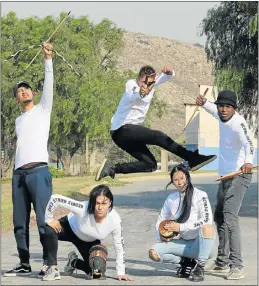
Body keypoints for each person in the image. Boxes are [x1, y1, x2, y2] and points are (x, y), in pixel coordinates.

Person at [95, 65, 216, 181]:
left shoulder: (152, 84)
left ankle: (112, 168)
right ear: (138, 79)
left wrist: (169, 72)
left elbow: (167, 76)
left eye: (150, 84)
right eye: (144, 83)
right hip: (121, 130)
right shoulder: (131, 85)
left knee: (150, 164)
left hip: (127, 136)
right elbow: (132, 95)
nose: (147, 86)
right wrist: (141, 93)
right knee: (158, 136)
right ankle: (191, 158)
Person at [4, 43, 54, 278]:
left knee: (43, 220)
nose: (23, 91)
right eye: (19, 90)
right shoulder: (18, 120)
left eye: (26, 89)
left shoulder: (43, 109)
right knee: (19, 222)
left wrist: (48, 59)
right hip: (18, 174)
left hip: (39, 172)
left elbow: (50, 86)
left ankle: (49, 263)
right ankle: (24, 262)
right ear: (16, 99)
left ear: (33, 94)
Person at [196, 90, 255, 280]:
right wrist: (204, 103)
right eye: (221, 106)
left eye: (228, 107)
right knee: (219, 216)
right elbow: (212, 110)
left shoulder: (238, 123)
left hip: (240, 174)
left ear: (234, 109)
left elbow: (249, 144)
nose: (223, 110)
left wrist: (248, 162)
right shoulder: (220, 115)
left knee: (230, 217)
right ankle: (222, 261)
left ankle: (237, 266)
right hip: (224, 177)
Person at [41, 184, 133, 282]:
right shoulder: (83, 207)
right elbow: (55, 199)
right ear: (92, 203)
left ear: (110, 203)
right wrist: (49, 219)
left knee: (97, 273)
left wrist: (121, 272)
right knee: (49, 229)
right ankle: (52, 268)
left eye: (104, 203)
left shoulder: (114, 220)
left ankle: (74, 262)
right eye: (97, 203)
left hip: (88, 240)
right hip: (69, 228)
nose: (100, 207)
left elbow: (119, 246)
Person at [149, 164, 216, 282]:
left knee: (208, 228)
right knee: (153, 253)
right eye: (175, 180)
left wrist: (180, 227)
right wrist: (161, 235)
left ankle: (200, 267)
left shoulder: (200, 195)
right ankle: (185, 262)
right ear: (172, 181)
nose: (179, 182)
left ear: (188, 177)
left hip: (201, 245)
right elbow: (161, 219)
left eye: (182, 178)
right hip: (183, 245)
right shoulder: (171, 198)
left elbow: (207, 220)